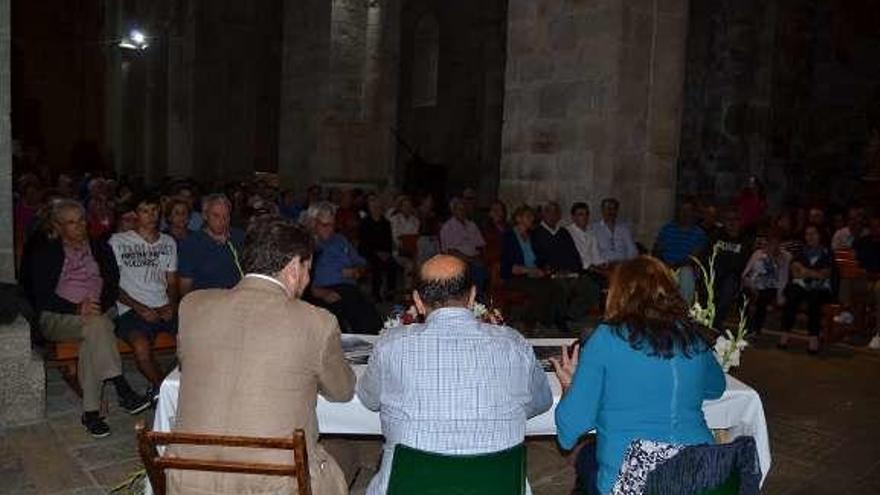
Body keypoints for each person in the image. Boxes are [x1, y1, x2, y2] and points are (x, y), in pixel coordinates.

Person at [168, 216, 355, 495]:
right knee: (348, 452)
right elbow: (342, 391)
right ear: (293, 266)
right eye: (308, 269)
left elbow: (187, 362)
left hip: (189, 479)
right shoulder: (317, 321)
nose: (307, 279)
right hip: (274, 484)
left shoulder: (193, 305)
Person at [358, 254, 552, 495]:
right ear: (472, 297)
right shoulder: (514, 344)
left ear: (418, 301)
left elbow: (369, 399)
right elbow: (541, 402)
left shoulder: (391, 346)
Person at [552, 256, 726, 495]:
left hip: (635, 481)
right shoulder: (692, 335)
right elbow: (716, 387)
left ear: (617, 294)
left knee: (584, 457)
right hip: (699, 476)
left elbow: (570, 430)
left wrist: (570, 387)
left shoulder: (606, 338)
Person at [25, 200, 150, 438]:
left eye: (81, 220)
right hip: (59, 317)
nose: (79, 226)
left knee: (94, 333)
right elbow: (39, 296)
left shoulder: (100, 247)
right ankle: (121, 385)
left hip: (100, 313)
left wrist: (98, 306)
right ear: (58, 226)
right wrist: (75, 308)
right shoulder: (46, 251)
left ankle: (92, 414)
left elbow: (112, 285)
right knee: (98, 328)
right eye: (71, 223)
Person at [109, 193, 179, 391]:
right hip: (132, 308)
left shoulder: (168, 242)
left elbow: (172, 282)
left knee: (193, 338)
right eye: (144, 211)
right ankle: (163, 389)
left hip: (162, 304)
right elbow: (112, 285)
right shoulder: (119, 242)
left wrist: (171, 305)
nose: (151, 216)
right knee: (141, 347)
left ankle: (173, 384)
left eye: (154, 210)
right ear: (136, 214)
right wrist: (139, 307)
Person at [305, 201, 382, 333]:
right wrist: (320, 292)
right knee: (340, 319)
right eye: (325, 225)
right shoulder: (307, 244)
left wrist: (358, 271)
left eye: (333, 225)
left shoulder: (339, 240)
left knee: (371, 318)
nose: (330, 229)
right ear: (313, 223)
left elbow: (362, 263)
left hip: (348, 288)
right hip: (321, 292)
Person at [501, 205, 567, 327]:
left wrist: (545, 268)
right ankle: (531, 322)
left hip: (533, 274)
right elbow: (507, 265)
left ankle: (551, 321)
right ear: (518, 218)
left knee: (557, 286)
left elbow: (540, 258)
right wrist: (528, 270)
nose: (532, 219)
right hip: (515, 275)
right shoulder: (508, 236)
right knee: (540, 289)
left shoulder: (532, 236)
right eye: (528, 216)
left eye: (532, 216)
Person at [177, 194, 245, 295]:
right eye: (216, 215)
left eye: (226, 216)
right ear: (205, 216)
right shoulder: (191, 244)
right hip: (207, 302)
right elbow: (185, 285)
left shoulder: (239, 237)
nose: (222, 221)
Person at [780, 224, 833, 353]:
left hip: (821, 289)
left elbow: (824, 275)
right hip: (801, 285)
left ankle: (813, 338)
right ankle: (785, 333)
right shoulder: (800, 252)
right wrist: (813, 273)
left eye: (813, 233)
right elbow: (795, 273)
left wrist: (805, 270)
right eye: (807, 234)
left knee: (814, 298)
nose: (810, 237)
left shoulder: (827, 253)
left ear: (820, 235)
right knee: (792, 294)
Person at [654, 198, 708, 304]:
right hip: (665, 265)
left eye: (688, 211)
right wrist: (663, 265)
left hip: (684, 267)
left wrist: (675, 267)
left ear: (694, 213)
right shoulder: (667, 229)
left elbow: (694, 257)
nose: (685, 214)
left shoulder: (699, 234)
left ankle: (683, 311)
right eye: (682, 210)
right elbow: (657, 250)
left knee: (686, 272)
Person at [741, 230, 792, 334]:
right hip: (753, 284)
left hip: (772, 286)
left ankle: (755, 328)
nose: (773, 245)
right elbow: (746, 272)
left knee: (763, 298)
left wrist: (780, 295)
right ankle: (746, 325)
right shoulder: (758, 253)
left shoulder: (785, 257)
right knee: (745, 297)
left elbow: (784, 278)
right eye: (771, 242)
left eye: (776, 242)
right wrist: (751, 285)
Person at [711, 209, 753, 328]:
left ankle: (716, 323)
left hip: (734, 276)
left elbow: (746, 262)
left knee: (728, 288)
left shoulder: (745, 239)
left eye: (735, 219)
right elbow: (707, 254)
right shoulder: (717, 235)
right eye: (728, 219)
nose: (732, 222)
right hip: (714, 273)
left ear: (739, 221)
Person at [439, 197, 488, 293]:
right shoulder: (447, 227)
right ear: (453, 211)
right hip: (457, 259)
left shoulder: (472, 225)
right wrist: (470, 259)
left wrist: (480, 257)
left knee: (482, 268)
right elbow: (450, 251)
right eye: (460, 209)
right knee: (475, 270)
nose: (463, 212)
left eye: (464, 209)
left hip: (474, 257)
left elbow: (481, 245)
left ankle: (477, 299)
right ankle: (473, 298)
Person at [358, 194, 398, 301]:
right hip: (370, 252)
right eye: (373, 205)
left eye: (377, 205)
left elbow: (389, 241)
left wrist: (386, 253)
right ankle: (376, 294)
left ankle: (390, 292)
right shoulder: (365, 223)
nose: (376, 208)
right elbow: (364, 241)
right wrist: (376, 253)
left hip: (384, 252)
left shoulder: (386, 223)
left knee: (392, 265)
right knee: (376, 265)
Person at [851, 215, 880, 336]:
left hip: (878, 278)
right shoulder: (862, 241)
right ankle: (858, 329)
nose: (875, 229)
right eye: (872, 226)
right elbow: (853, 261)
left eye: (878, 226)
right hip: (863, 277)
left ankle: (878, 331)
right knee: (855, 286)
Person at [593, 198, 638, 264]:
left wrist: (629, 264)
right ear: (603, 210)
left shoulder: (624, 228)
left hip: (623, 265)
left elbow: (632, 250)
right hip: (605, 266)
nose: (611, 212)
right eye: (608, 209)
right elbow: (594, 252)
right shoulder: (595, 229)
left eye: (614, 209)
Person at [566, 202, 603, 272]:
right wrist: (588, 266)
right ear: (573, 217)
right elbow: (571, 258)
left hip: (593, 270)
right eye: (581, 214)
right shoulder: (567, 233)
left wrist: (602, 264)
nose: (585, 217)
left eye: (587, 214)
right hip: (577, 270)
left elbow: (596, 254)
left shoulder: (591, 232)